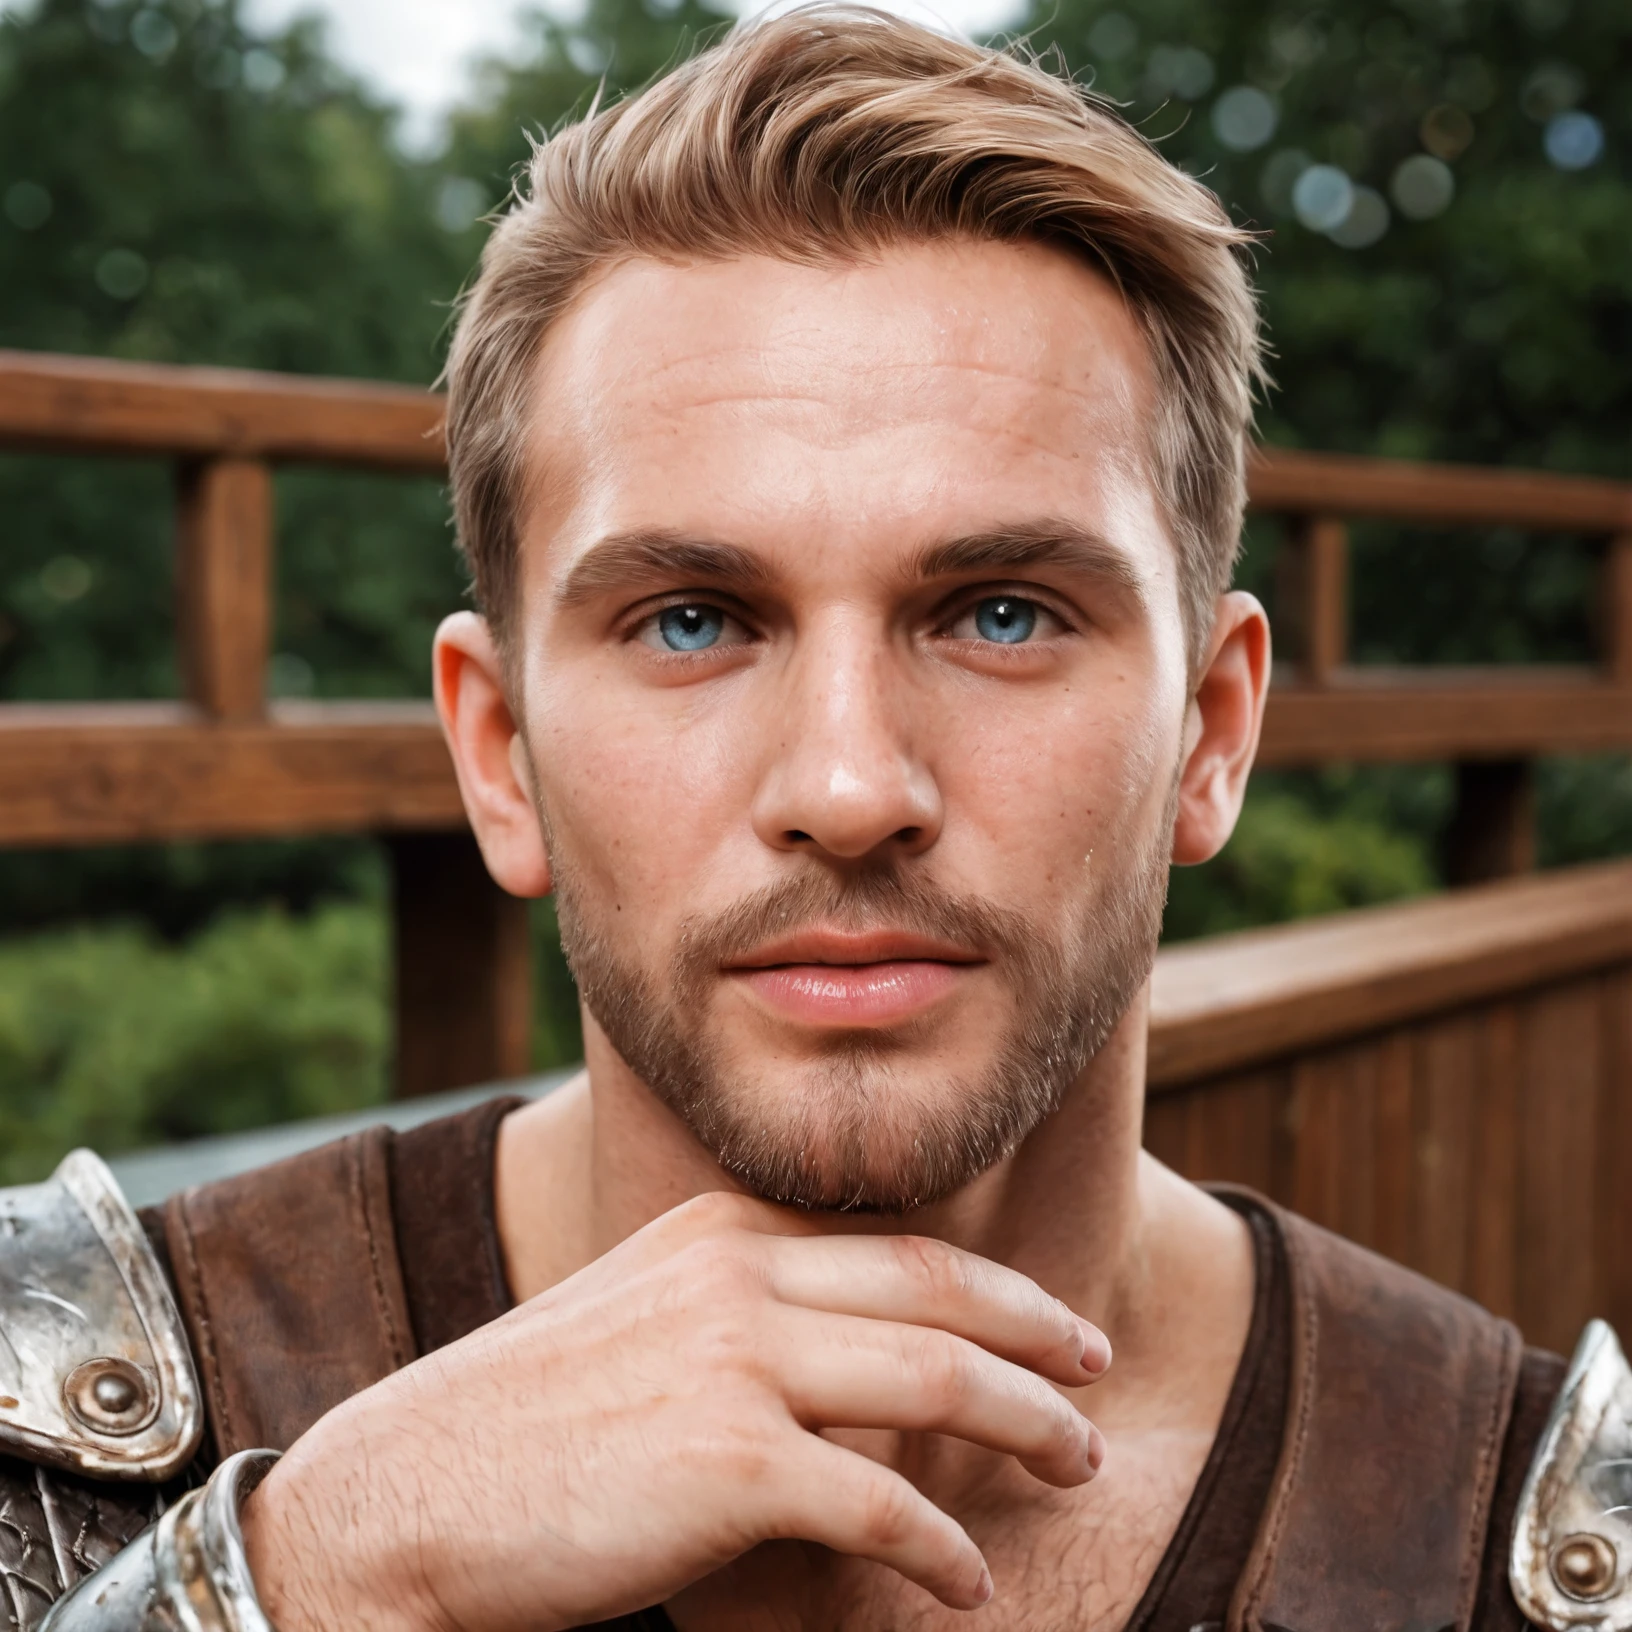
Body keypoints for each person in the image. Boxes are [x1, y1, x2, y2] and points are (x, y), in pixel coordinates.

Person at [7, 10, 1623, 1632]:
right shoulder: (58, 1411)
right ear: (499, 756)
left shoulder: (1532, 1540)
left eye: (999, 615)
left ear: (1210, 733)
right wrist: (310, 1572)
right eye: (694, 620)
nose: (850, 790)